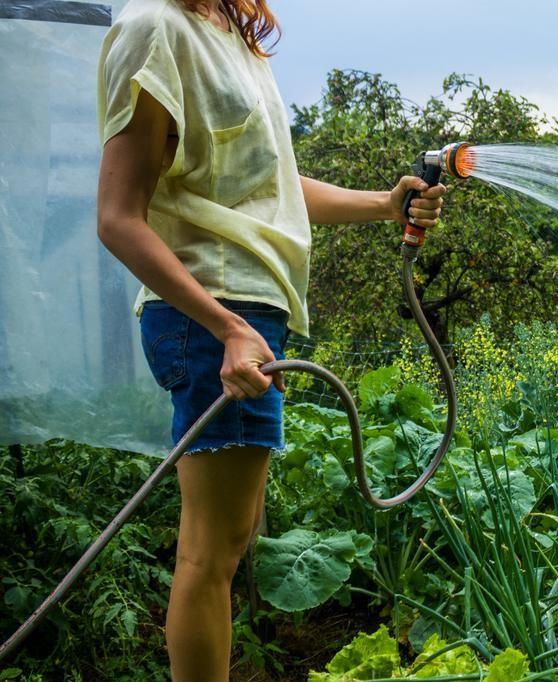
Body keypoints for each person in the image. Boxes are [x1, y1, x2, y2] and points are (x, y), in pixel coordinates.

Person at [94, 1, 446, 678]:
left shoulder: (232, 40)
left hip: (249, 312)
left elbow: (269, 192)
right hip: (213, 309)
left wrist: (383, 202)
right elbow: (116, 217)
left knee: (227, 542)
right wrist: (228, 328)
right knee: (210, 552)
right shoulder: (153, 29)